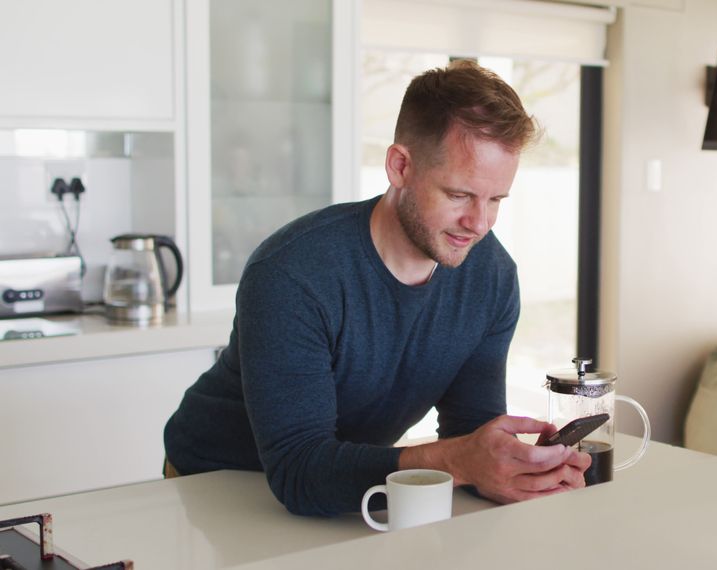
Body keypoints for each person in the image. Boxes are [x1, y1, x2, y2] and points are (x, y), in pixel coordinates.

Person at [163, 60, 590, 517]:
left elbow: (469, 435)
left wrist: (516, 473)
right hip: (214, 484)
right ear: (400, 166)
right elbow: (299, 470)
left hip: (341, 487)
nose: (479, 223)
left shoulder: (491, 278)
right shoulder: (293, 274)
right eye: (459, 195)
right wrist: (463, 462)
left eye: (495, 200)